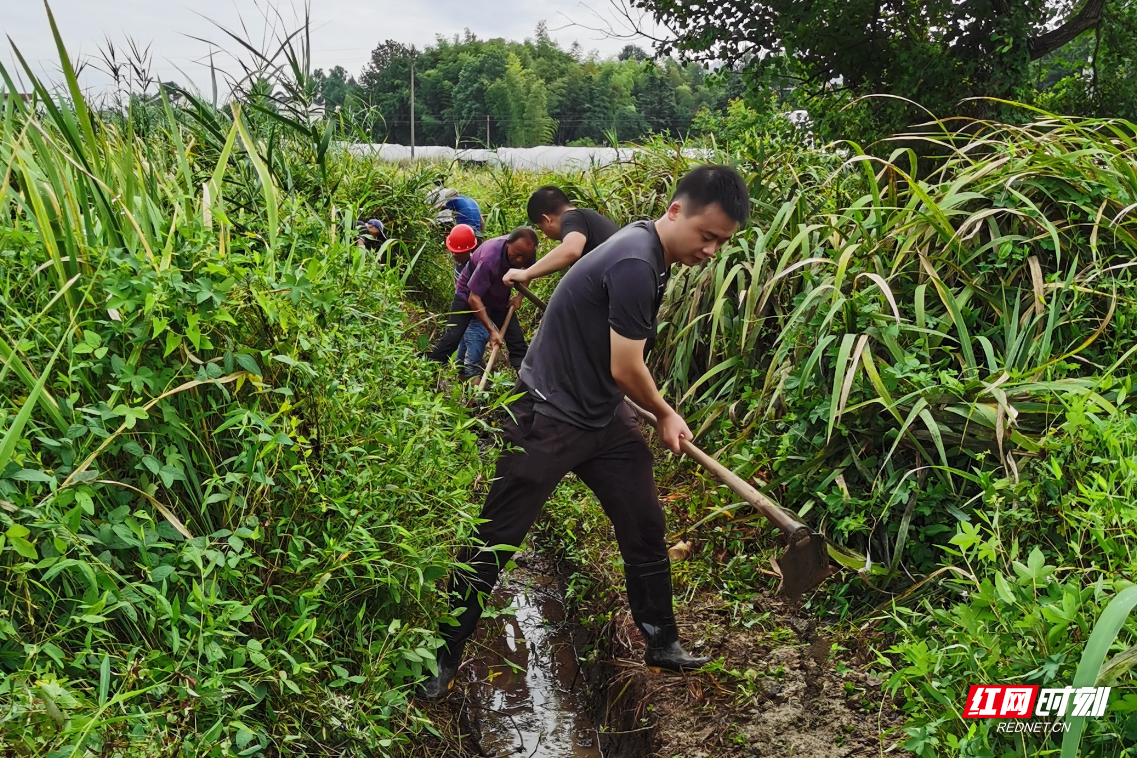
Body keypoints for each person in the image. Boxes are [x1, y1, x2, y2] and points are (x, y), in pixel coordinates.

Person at [418, 165, 751, 700]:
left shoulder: (653, 252)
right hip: (548, 414)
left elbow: (614, 359)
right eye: (706, 235)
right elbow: (627, 365)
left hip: (602, 416)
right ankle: (439, 657)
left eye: (721, 242)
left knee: (644, 524)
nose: (710, 250)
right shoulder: (637, 262)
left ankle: (661, 640)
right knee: (496, 537)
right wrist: (665, 412)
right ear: (675, 212)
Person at [428, 226, 539, 379]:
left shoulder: (527, 251)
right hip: (468, 295)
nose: (520, 260)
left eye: (524, 257)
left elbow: (529, 271)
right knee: (452, 338)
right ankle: (426, 374)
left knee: (517, 342)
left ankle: (526, 385)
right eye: (517, 255)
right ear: (508, 244)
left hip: (498, 299)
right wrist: (492, 331)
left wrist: (519, 297)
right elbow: (474, 299)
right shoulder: (490, 257)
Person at [503, 186, 619, 288]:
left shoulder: (572, 217)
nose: (545, 234)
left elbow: (571, 250)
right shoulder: (592, 217)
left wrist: (526, 273)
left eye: (541, 228)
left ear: (546, 219)